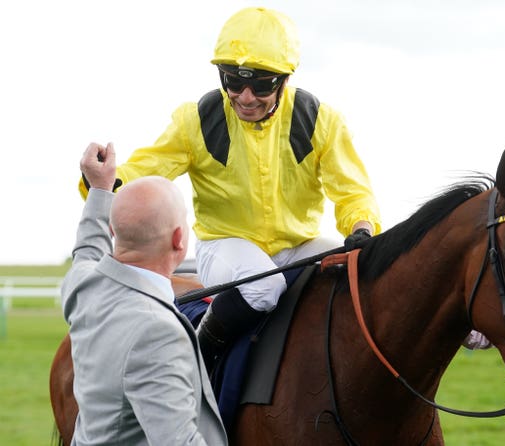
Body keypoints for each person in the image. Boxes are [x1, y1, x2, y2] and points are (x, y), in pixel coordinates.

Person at [78, 6, 381, 374]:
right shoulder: (196, 120)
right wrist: (102, 182)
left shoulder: (321, 120)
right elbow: (145, 171)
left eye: (261, 84)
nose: (246, 97)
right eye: (233, 82)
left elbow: (353, 191)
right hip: (224, 245)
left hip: (298, 247)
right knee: (264, 288)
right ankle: (195, 369)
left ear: (285, 78)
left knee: (361, 269)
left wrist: (361, 226)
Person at [63, 143, 228, 445]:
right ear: (179, 239)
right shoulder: (158, 333)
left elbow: (87, 249)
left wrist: (100, 188)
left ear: (113, 232)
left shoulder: (82, 285)